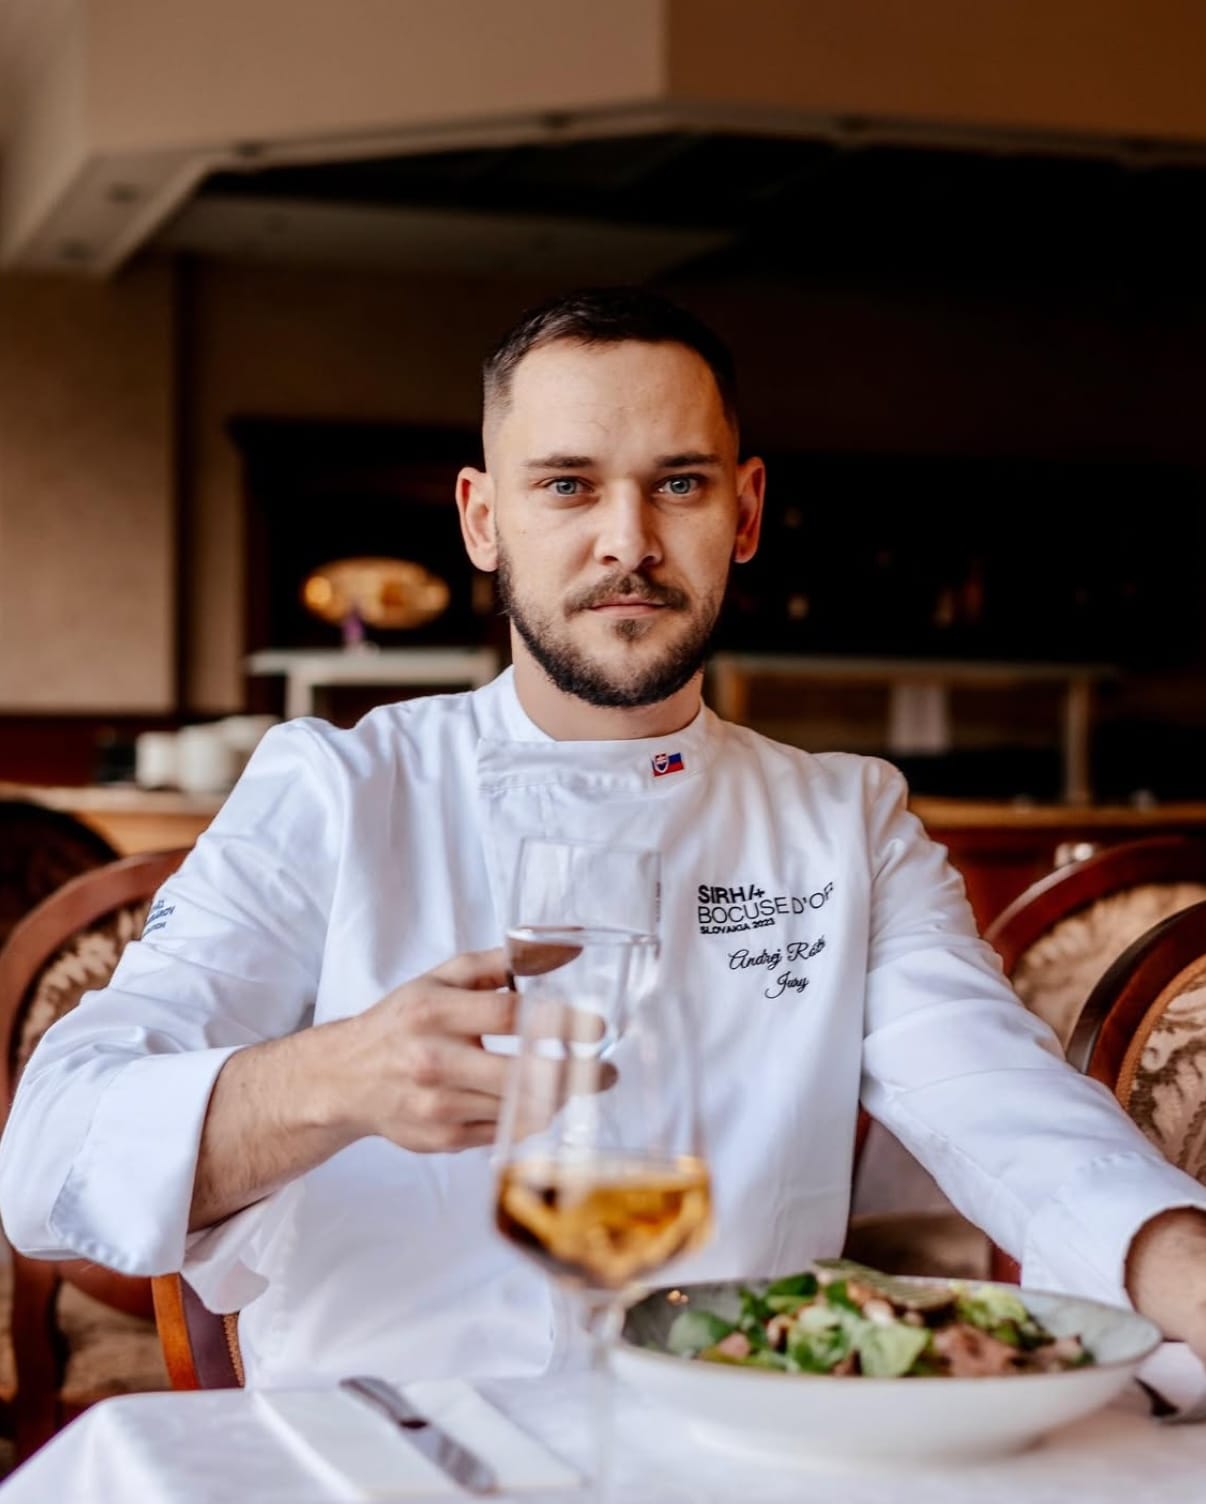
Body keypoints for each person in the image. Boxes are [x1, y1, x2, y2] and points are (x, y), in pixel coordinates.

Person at [2, 288, 1206, 1387]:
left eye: (678, 483)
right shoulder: (335, 789)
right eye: (568, 485)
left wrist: (1187, 1271)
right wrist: (339, 1077)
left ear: (745, 512)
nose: (627, 538)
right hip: (385, 1468)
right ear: (484, 519)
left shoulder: (849, 820)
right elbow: (50, 1156)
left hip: (737, 1461)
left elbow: (1001, 1108)